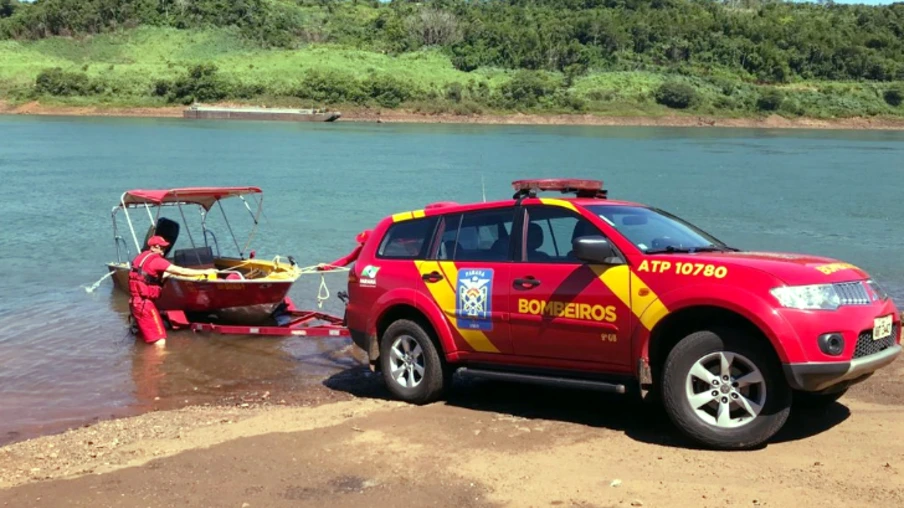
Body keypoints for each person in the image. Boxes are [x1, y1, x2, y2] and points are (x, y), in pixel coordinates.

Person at [128, 235, 217, 346]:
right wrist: (204, 272)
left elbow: (149, 275)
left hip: (134, 303)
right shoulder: (157, 261)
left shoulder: (140, 258)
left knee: (143, 337)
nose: (163, 251)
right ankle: (157, 362)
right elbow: (179, 270)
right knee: (160, 341)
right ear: (155, 247)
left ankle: (139, 358)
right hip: (145, 305)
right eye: (162, 248)